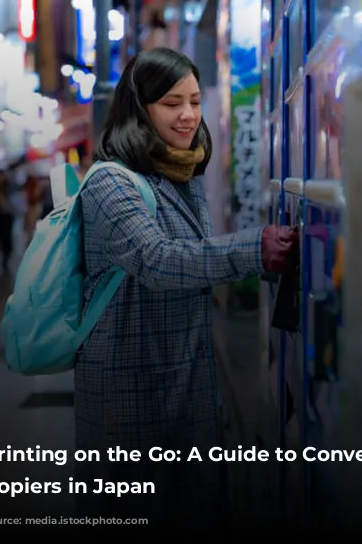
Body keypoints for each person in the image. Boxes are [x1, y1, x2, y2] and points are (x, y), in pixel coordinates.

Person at [75, 47, 298, 533]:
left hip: (187, 385)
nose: (188, 115)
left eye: (195, 101)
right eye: (171, 102)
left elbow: (194, 262)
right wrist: (252, 251)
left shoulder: (183, 175)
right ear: (140, 108)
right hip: (129, 396)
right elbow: (157, 260)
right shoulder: (109, 185)